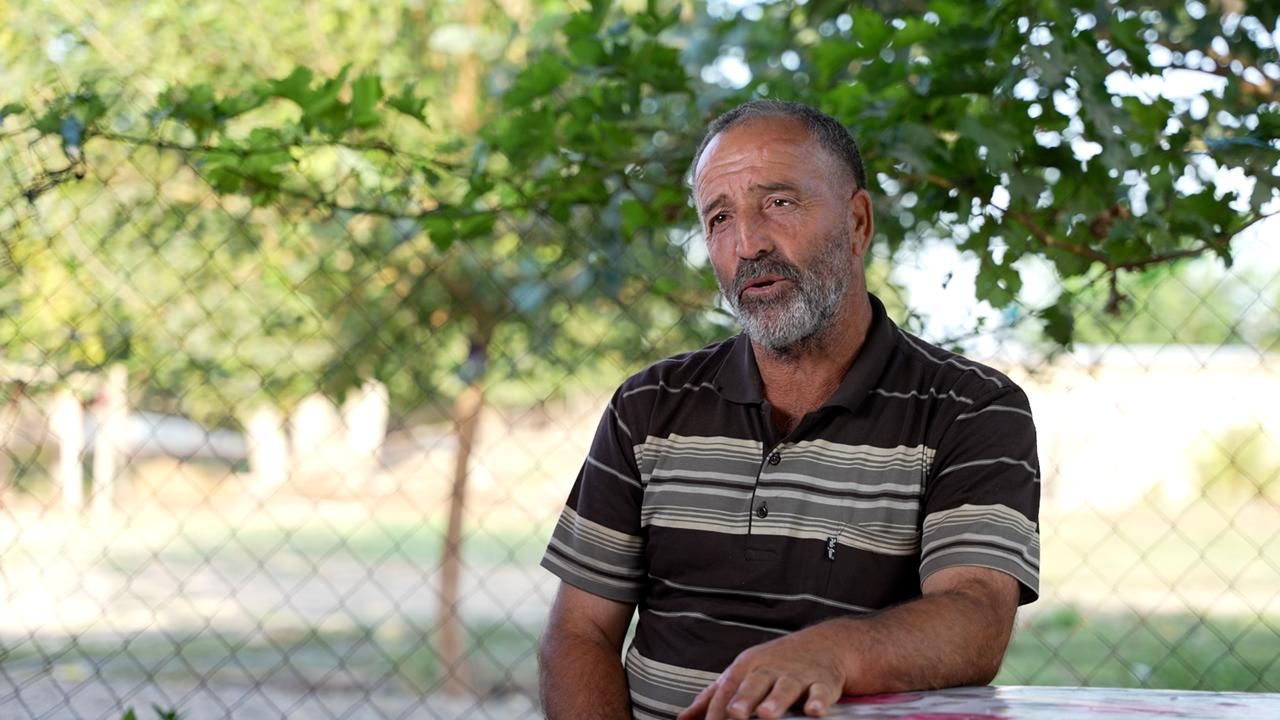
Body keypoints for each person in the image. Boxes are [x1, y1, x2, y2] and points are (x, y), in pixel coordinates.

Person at [538, 100, 1040, 720]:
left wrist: (831, 652)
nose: (747, 244)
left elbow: (977, 618)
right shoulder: (648, 407)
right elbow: (579, 632)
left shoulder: (971, 409)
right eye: (720, 218)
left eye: (778, 202)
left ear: (857, 223)